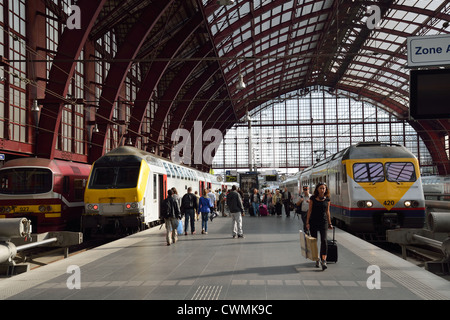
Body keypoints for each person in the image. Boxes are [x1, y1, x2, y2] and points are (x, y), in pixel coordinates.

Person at [305, 182, 333, 270]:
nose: (322, 190)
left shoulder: (327, 200)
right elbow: (309, 210)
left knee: (324, 240)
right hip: (313, 221)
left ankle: (323, 260)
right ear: (317, 189)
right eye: (321, 188)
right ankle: (317, 258)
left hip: (323, 222)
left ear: (326, 190)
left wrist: (329, 223)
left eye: (324, 188)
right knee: (314, 241)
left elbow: (327, 212)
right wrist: (307, 222)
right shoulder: (312, 198)